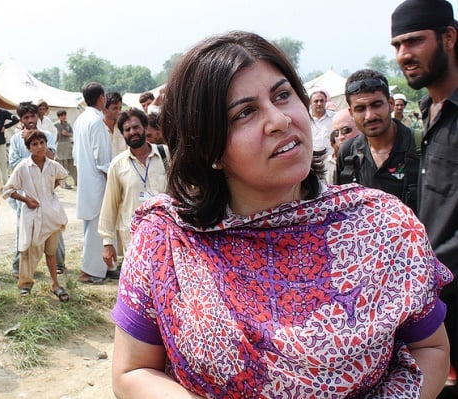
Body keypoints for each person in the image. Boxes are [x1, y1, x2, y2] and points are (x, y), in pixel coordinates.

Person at [111, 31, 452, 399]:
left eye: (283, 95)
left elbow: (430, 348)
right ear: (208, 146)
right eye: (245, 112)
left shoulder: (382, 223)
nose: (279, 120)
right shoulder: (167, 238)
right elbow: (132, 370)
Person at [391, 0, 458, 395]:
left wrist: (425, 270)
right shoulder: (428, 112)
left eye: (414, 40)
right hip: (436, 305)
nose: (404, 55)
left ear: (449, 37)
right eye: (397, 44)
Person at [98, 108, 168, 280]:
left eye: (136, 127)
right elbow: (110, 205)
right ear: (123, 134)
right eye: (127, 130)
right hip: (134, 239)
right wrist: (107, 242)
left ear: (145, 128)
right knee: (140, 287)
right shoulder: (118, 165)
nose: (133, 132)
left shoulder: (166, 154)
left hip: (167, 236)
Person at [336, 69, 419, 213]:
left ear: (391, 103)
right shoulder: (348, 153)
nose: (370, 116)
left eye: (376, 105)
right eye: (360, 109)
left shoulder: (421, 147)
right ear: (351, 113)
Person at [2, 130, 69, 301]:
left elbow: (62, 176)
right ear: (29, 148)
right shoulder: (23, 167)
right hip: (32, 214)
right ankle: (25, 285)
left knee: (51, 251)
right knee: (29, 250)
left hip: (52, 213)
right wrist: (26, 199)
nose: (39, 147)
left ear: (46, 144)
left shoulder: (52, 165)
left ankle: (55, 284)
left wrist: (48, 191)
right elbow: (8, 190)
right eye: (34, 144)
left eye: (42, 143)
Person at [8, 102, 64, 277]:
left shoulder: (46, 135)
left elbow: (52, 159)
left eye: (33, 116)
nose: (30, 120)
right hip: (26, 191)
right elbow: (14, 163)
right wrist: (29, 158)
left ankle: (59, 264)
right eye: (26, 117)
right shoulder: (16, 139)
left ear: (37, 117)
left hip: (46, 191)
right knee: (23, 228)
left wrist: (37, 144)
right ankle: (19, 267)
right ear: (21, 120)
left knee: (53, 226)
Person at [73, 82, 113, 284]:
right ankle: (90, 272)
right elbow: (103, 158)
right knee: (98, 227)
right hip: (97, 180)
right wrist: (112, 183)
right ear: (101, 98)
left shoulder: (81, 119)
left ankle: (103, 267)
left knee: (93, 225)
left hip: (86, 178)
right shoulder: (97, 121)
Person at [54, 109, 77, 188]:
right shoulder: (56, 125)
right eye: (62, 115)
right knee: (62, 165)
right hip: (60, 146)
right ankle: (63, 183)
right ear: (59, 117)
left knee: (71, 164)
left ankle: (77, 181)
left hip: (68, 146)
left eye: (65, 115)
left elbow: (72, 134)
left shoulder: (68, 124)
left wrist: (67, 134)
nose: (64, 117)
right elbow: (54, 135)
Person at [309, 89, 334, 157]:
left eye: (321, 101)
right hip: (312, 160)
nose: (319, 104)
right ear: (310, 103)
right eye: (316, 101)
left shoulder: (334, 117)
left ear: (326, 102)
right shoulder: (305, 120)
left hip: (330, 159)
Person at [103, 92, 127, 157]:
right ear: (105, 110)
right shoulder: (99, 128)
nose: (119, 111)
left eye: (120, 108)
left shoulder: (123, 127)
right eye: (115, 108)